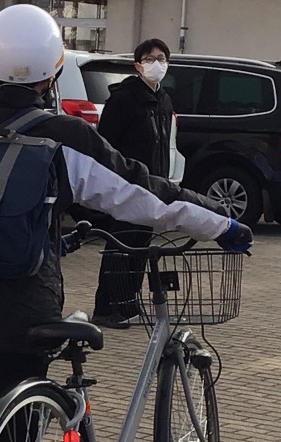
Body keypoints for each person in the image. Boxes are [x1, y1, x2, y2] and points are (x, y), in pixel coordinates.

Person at [0, 5, 253, 442]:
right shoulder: (60, 135)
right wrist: (222, 223)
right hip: (18, 306)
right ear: (53, 70)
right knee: (12, 437)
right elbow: (143, 194)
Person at [91, 38, 175, 329]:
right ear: (138, 65)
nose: (157, 64)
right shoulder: (124, 99)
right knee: (121, 245)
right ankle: (107, 307)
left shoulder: (163, 99)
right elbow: (106, 144)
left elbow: (163, 143)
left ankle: (128, 301)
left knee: (141, 246)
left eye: (162, 58)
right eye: (150, 59)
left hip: (153, 186)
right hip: (126, 185)